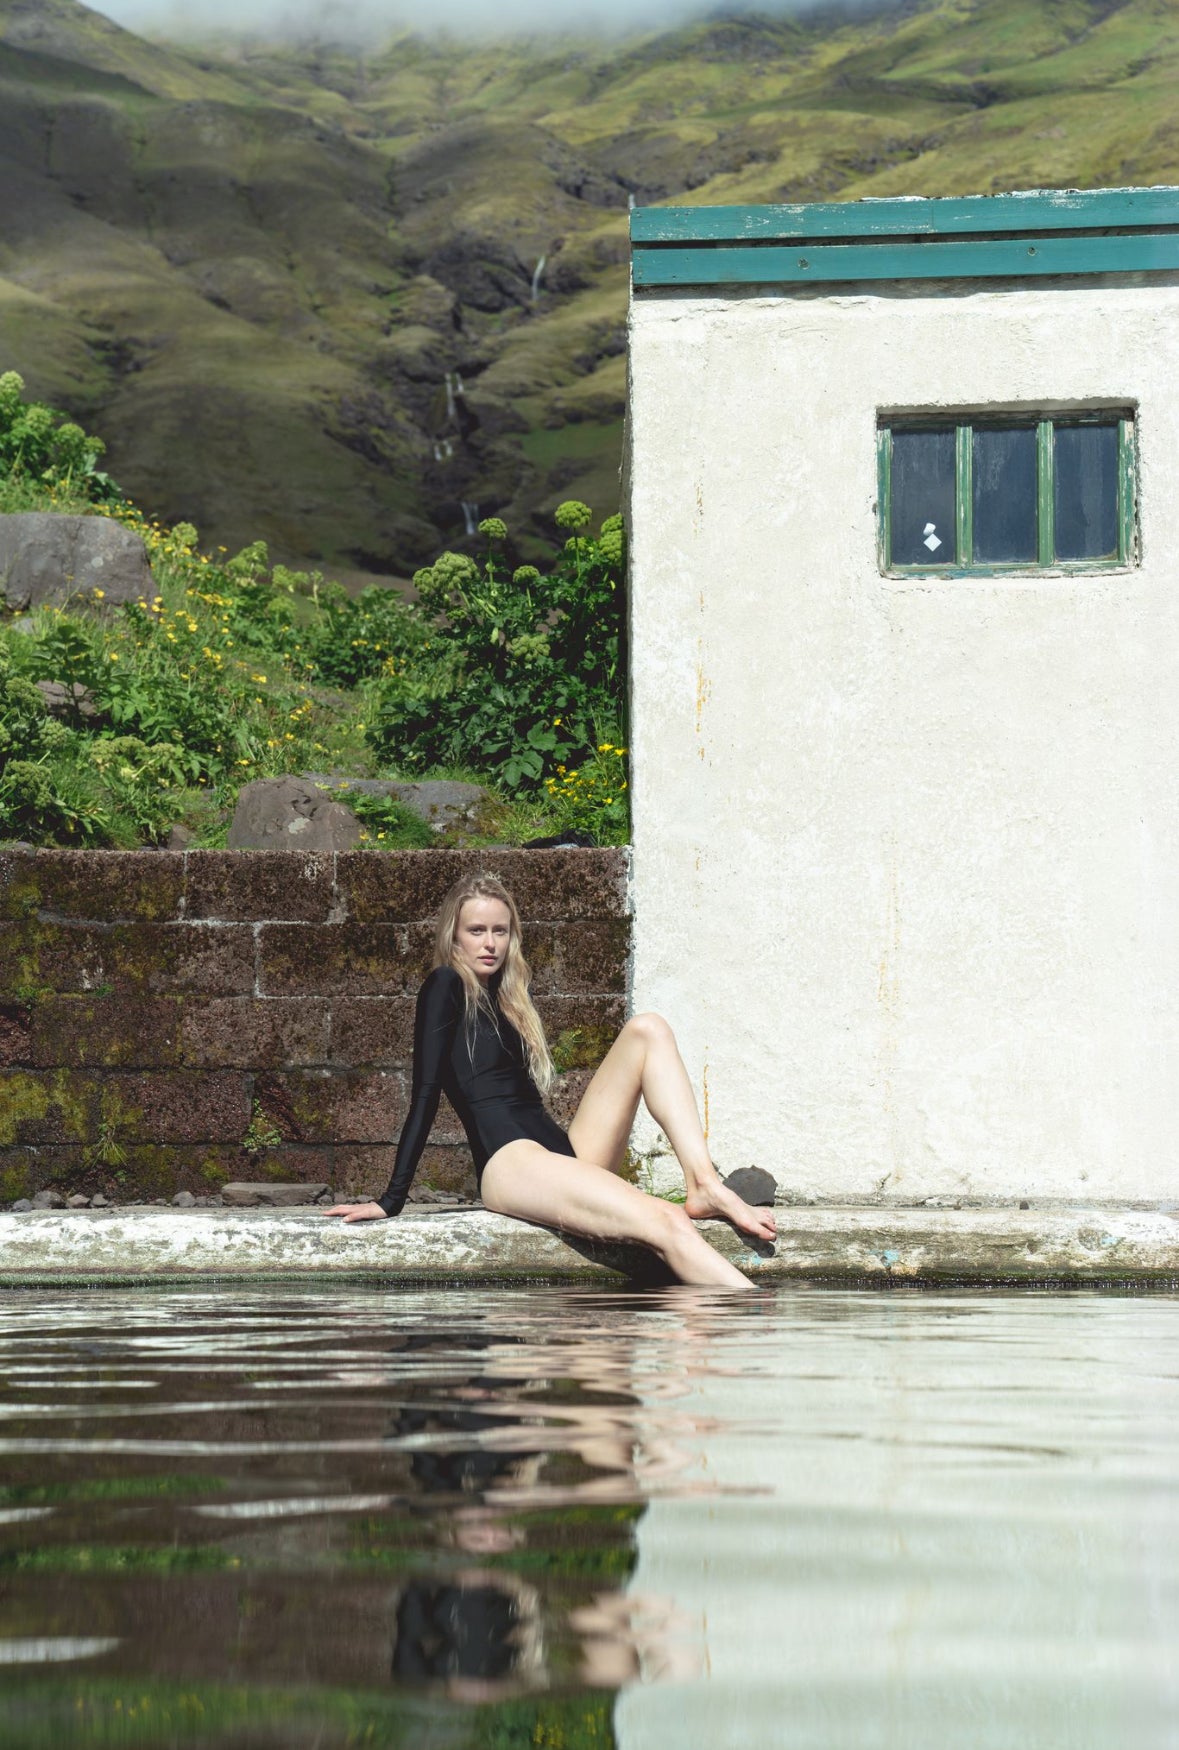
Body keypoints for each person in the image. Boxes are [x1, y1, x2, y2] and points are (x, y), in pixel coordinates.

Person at [324, 872, 776, 1288]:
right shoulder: (445, 985)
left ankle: (703, 1182)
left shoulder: (509, 997)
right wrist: (391, 1199)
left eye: (500, 931)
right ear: (454, 937)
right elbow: (424, 1094)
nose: (490, 944)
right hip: (511, 1164)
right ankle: (754, 1318)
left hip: (563, 1152)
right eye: (476, 931)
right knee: (666, 1222)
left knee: (649, 1029)